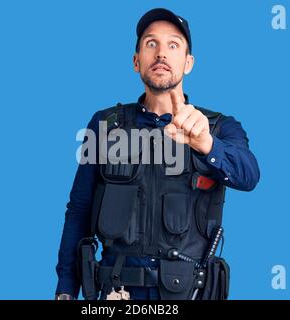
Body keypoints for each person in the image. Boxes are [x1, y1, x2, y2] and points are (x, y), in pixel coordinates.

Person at [55, 8, 260, 300]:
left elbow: (249, 175)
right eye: (151, 43)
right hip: (117, 292)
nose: (161, 53)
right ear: (137, 61)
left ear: (188, 63)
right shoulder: (104, 125)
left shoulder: (218, 127)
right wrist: (65, 290)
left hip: (189, 292)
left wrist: (207, 145)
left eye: (173, 45)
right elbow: (78, 210)